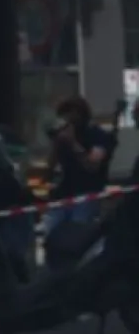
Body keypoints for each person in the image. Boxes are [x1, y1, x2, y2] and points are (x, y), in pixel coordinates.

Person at [46, 95, 115, 233]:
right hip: (62, 194)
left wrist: (73, 144)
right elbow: (50, 168)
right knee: (51, 232)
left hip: (86, 194)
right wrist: (56, 145)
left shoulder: (97, 135)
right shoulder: (63, 138)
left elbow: (93, 165)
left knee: (78, 233)